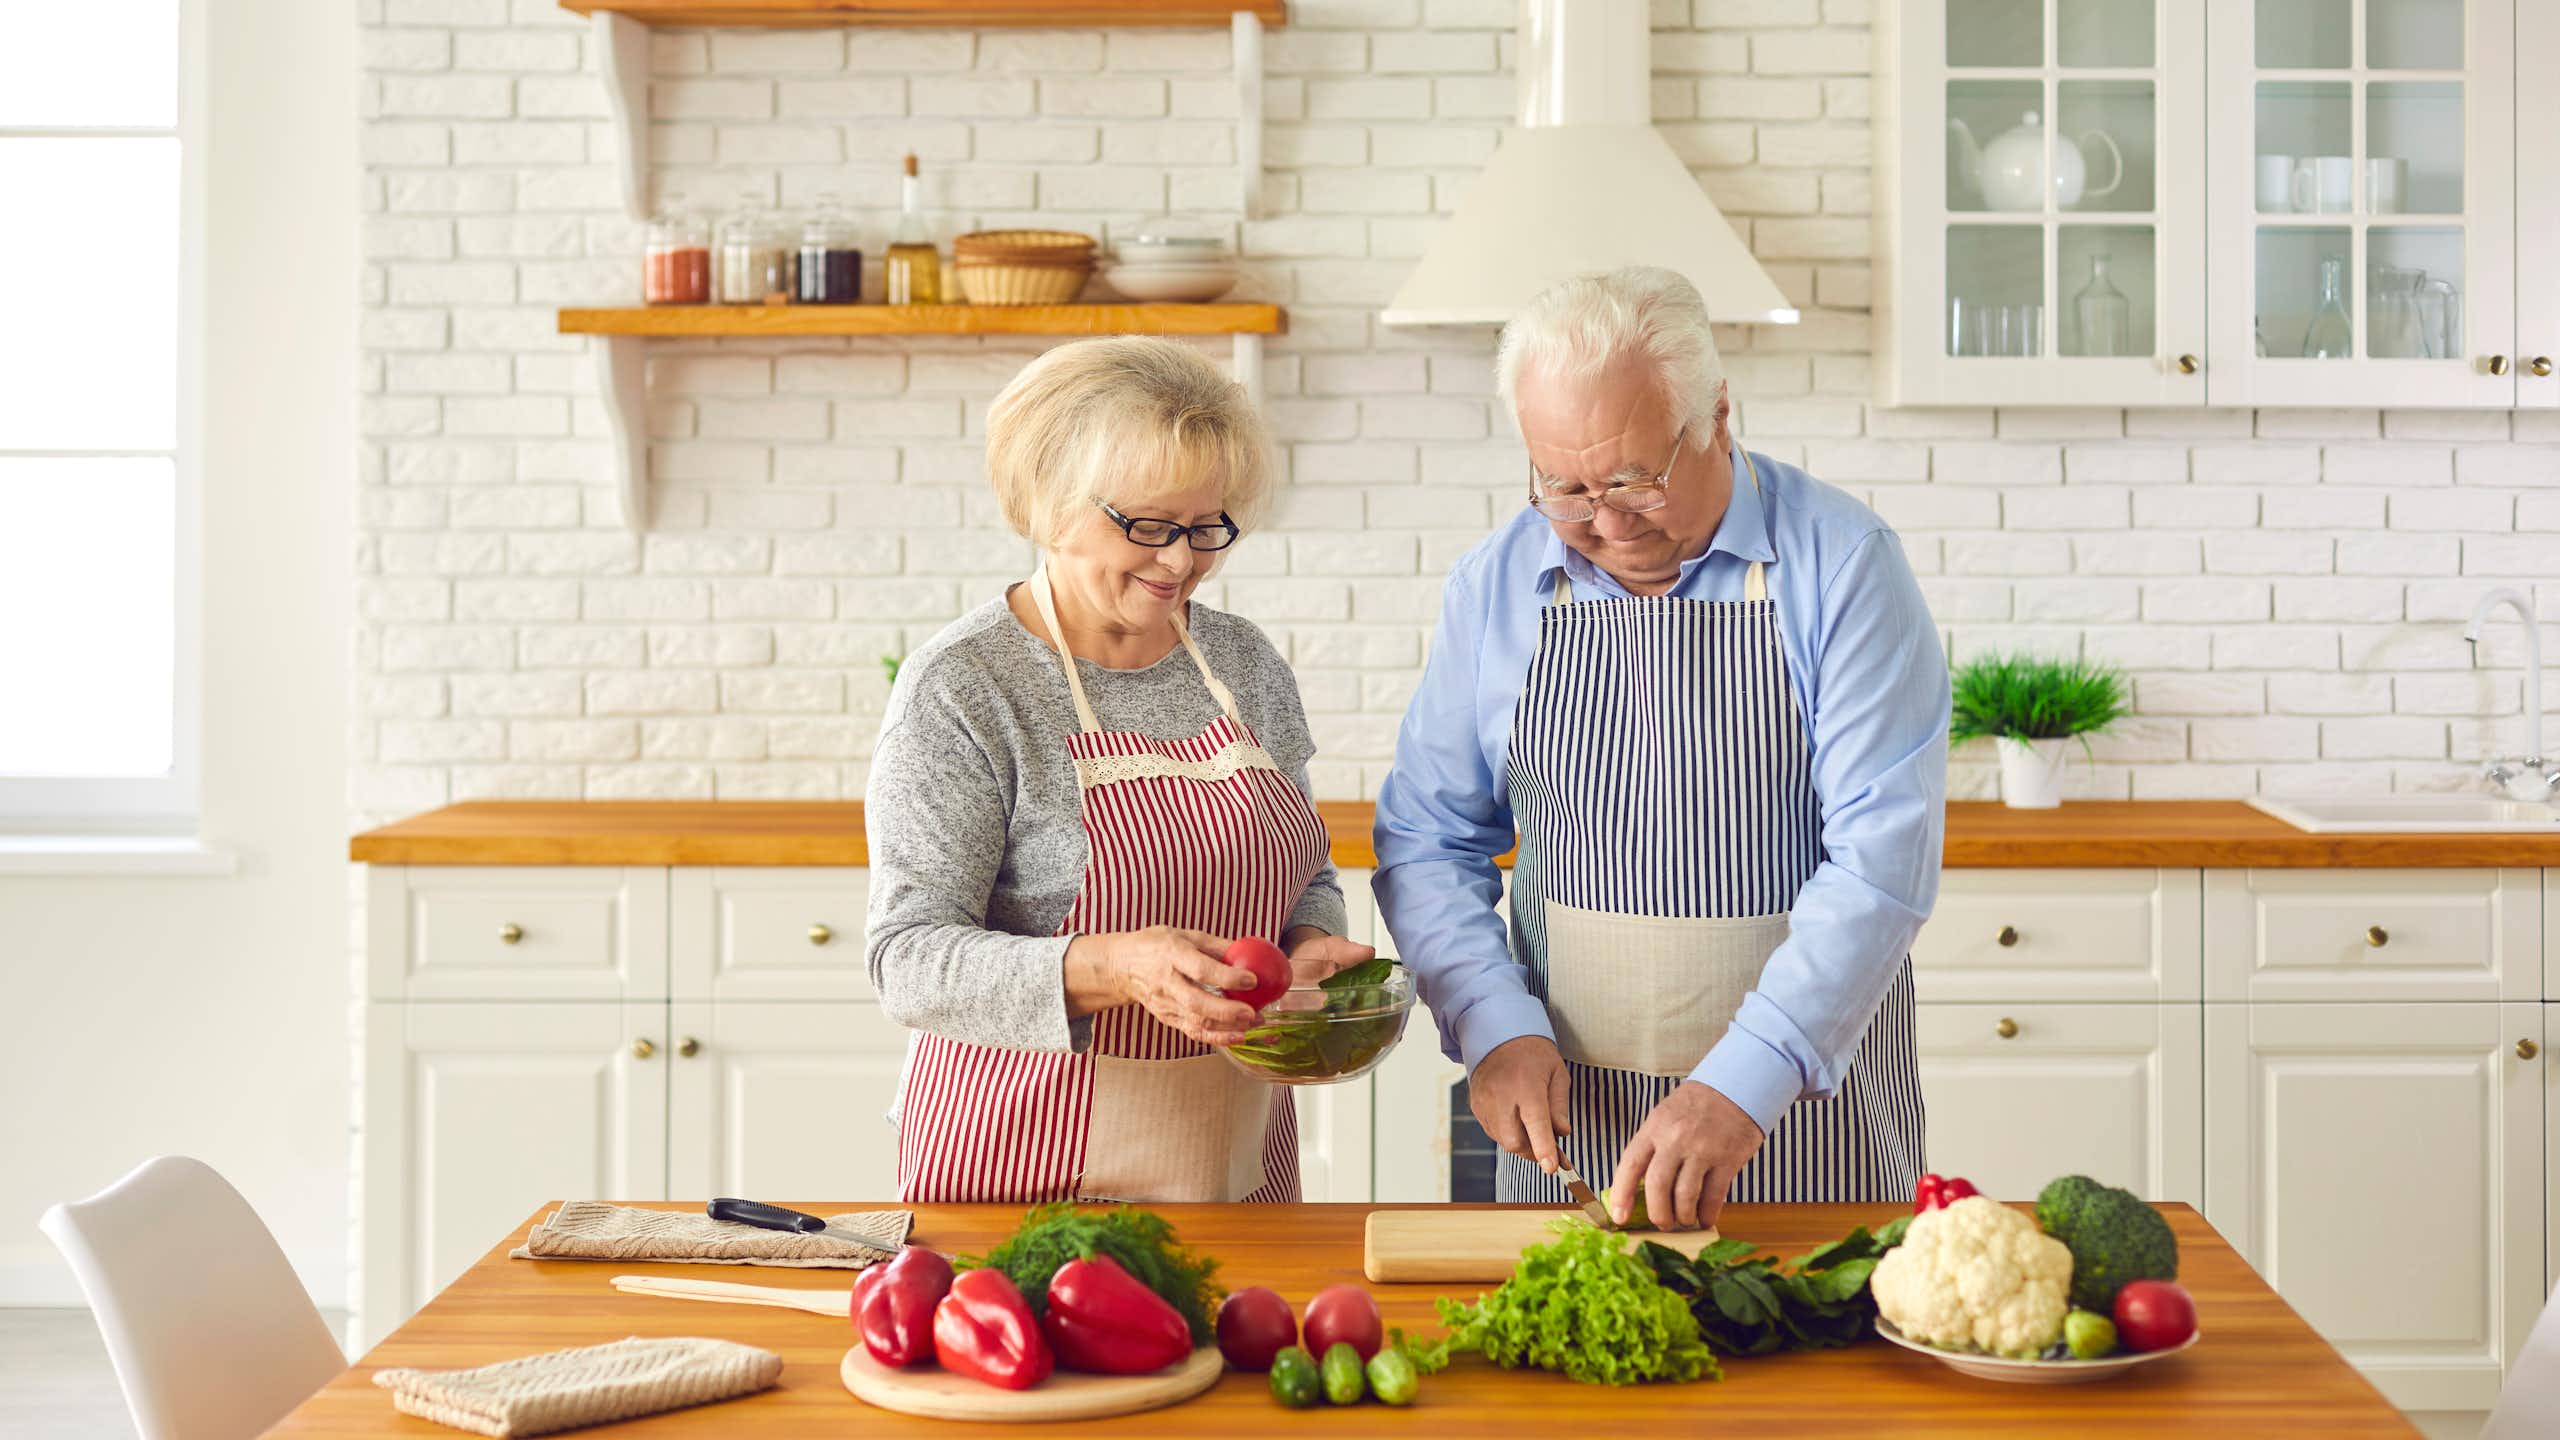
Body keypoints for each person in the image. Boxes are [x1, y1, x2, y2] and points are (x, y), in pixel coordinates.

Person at [1373, 267, 1948, 1230]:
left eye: (1635, 479)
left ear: (1720, 415)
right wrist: (1489, 1024)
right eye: (1563, 487)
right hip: (1568, 1131)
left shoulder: (1842, 566)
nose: (1605, 524)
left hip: (1800, 1122)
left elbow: (1881, 864)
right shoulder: (1498, 582)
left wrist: (1744, 1084)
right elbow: (1429, 838)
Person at [864, 336, 1372, 1204]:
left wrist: (1307, 944)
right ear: (1049, 503)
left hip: (1230, 1162)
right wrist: (1115, 968)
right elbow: (907, 960)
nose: (1181, 561)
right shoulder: (966, 687)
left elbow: (1307, 867)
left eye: (1206, 527)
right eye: (1146, 527)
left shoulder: (1242, 664)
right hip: (1020, 1169)